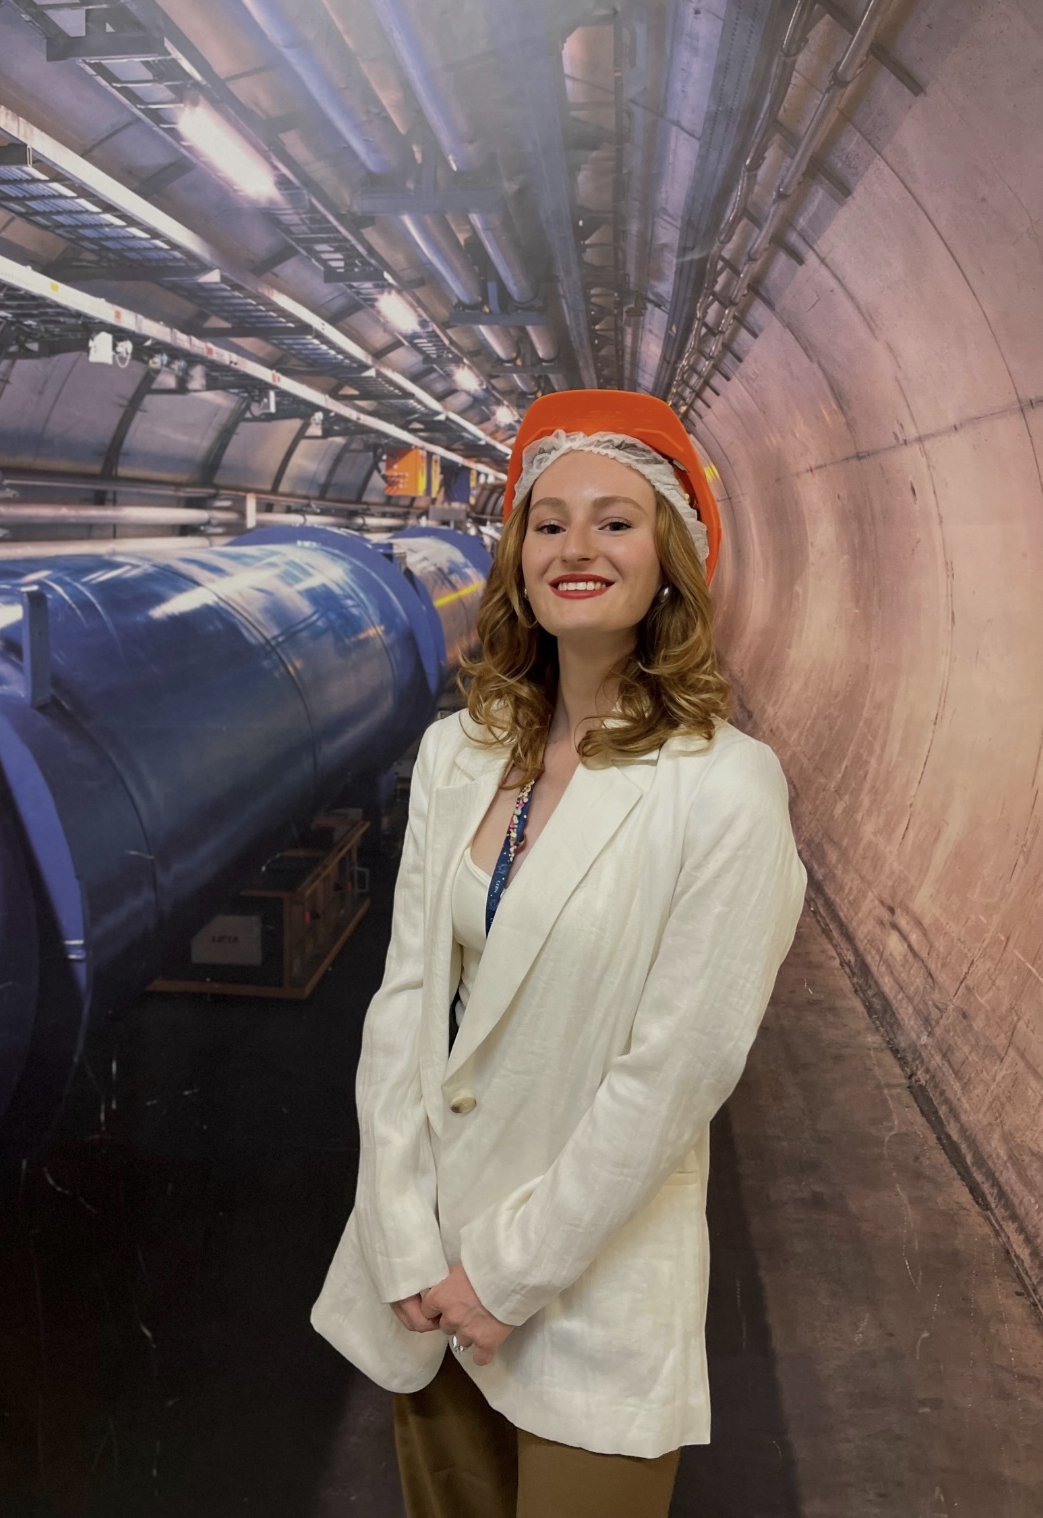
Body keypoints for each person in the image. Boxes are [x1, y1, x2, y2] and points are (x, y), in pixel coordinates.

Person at [310, 388, 808, 1518]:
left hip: (582, 1288)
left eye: (616, 521)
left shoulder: (724, 790)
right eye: (548, 521)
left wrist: (507, 1274)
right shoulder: (459, 754)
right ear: (518, 559)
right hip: (428, 1285)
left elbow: (673, 1075)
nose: (576, 547)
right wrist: (402, 1239)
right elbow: (404, 1009)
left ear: (670, 560)